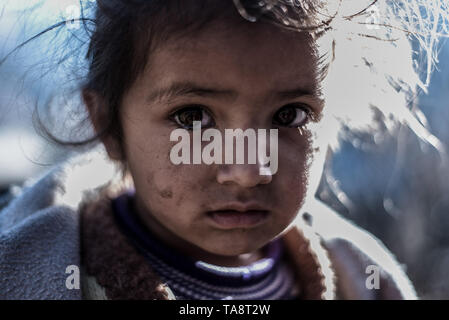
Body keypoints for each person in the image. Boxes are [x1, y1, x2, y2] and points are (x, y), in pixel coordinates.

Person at [0, 0, 433, 300]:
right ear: (109, 127)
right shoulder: (39, 272)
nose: (247, 170)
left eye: (290, 116)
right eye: (192, 118)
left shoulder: (363, 281)